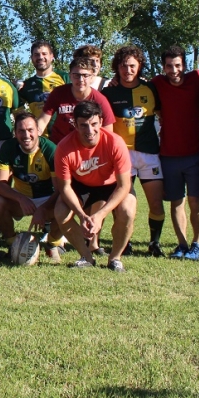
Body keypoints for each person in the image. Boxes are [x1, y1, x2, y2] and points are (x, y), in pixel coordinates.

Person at [54, 101, 136, 271]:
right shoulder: (64, 147)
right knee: (61, 212)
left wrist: (100, 215)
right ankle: (87, 257)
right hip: (82, 185)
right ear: (75, 124)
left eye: (93, 124)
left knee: (127, 210)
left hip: (112, 185)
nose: (89, 131)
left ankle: (115, 258)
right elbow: (65, 188)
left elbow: (124, 185)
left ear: (100, 121)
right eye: (83, 125)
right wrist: (82, 215)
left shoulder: (115, 142)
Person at [102, 45, 166, 256]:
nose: (127, 70)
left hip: (148, 154)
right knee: (121, 204)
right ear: (117, 68)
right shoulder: (109, 91)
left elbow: (163, 115)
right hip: (122, 156)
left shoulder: (151, 88)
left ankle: (154, 243)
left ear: (139, 66)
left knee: (155, 203)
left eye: (132, 66)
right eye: (123, 66)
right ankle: (124, 241)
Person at [150, 46, 199, 260]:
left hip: (194, 154)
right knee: (176, 202)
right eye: (169, 66)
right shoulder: (157, 83)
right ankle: (182, 244)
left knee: (195, 201)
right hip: (168, 155)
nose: (173, 70)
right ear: (163, 67)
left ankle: (198, 243)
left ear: (184, 65)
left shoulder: (198, 77)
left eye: (177, 65)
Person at [0, 111, 64, 261]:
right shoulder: (9, 147)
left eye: (30, 130)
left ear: (38, 131)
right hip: (21, 198)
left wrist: (42, 209)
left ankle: (52, 244)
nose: (26, 135)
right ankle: (12, 242)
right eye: (21, 131)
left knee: (66, 205)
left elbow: (60, 189)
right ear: (15, 133)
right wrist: (21, 199)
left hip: (48, 199)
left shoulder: (50, 149)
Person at [37, 57, 115, 145]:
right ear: (70, 75)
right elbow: (43, 121)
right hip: (60, 145)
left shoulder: (99, 99)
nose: (81, 80)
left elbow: (108, 132)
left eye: (85, 75)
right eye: (76, 75)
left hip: (86, 148)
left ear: (92, 77)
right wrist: (34, 137)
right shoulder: (58, 93)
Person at [18, 40, 69, 137]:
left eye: (44, 54)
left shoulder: (65, 77)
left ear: (52, 56)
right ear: (32, 58)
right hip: (41, 138)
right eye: (36, 54)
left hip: (65, 136)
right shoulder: (26, 85)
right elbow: (16, 109)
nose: (40, 57)